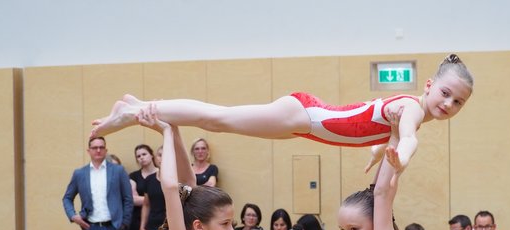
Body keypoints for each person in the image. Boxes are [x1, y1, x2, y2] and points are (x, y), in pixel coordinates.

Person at [91, 54, 473, 179]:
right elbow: (406, 139)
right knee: (217, 119)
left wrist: (377, 154)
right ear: (428, 85)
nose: (449, 105)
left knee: (219, 120)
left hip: (303, 126)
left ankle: (137, 104)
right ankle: (134, 112)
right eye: (445, 93)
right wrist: (399, 158)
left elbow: (373, 128)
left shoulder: (412, 110)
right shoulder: (410, 110)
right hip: (304, 116)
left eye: (458, 103)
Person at [128, 144, 158, 230]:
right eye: (138, 156)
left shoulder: (161, 173)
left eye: (144, 154)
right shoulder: (133, 176)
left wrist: (145, 199)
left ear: (151, 155)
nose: (141, 158)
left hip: (159, 218)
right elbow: (133, 199)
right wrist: (155, 198)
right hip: (138, 220)